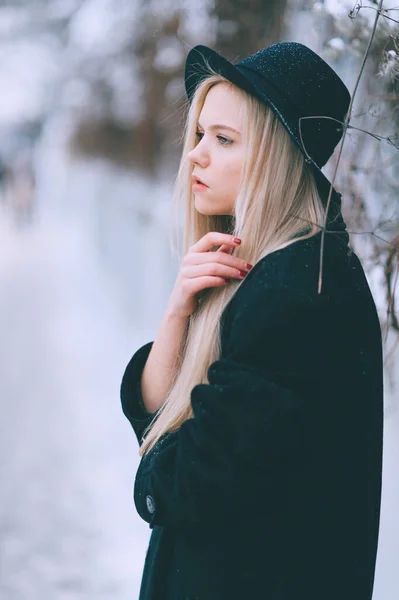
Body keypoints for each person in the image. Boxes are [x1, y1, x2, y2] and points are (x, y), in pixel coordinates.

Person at [120, 42, 383, 600]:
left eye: (224, 139)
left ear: (277, 155)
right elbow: (163, 419)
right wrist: (177, 310)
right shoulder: (277, 266)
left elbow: (185, 483)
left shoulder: (298, 292)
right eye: (199, 135)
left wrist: (150, 472)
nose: (195, 155)